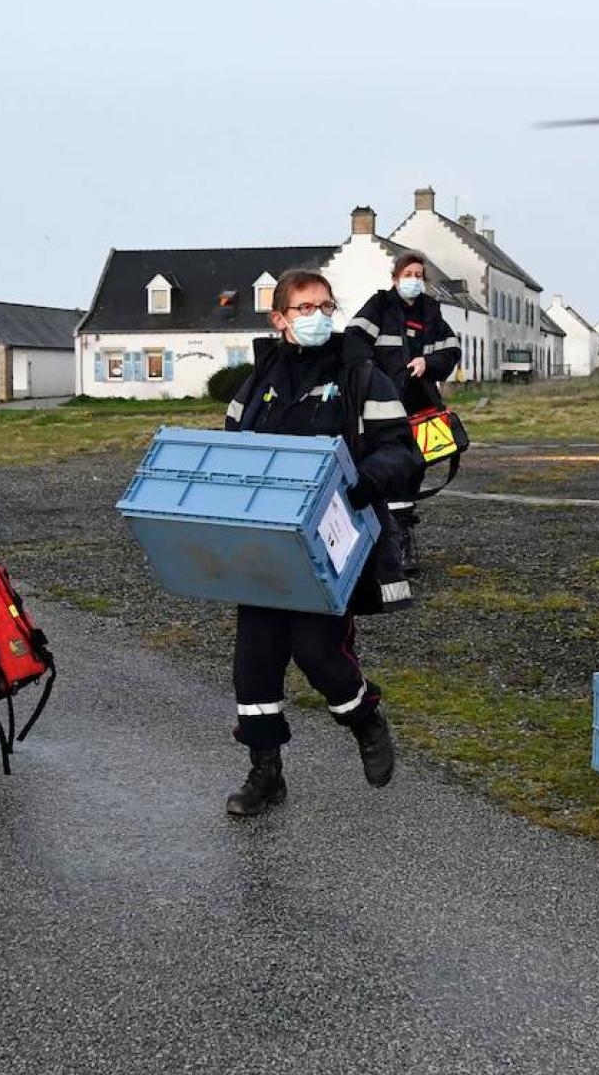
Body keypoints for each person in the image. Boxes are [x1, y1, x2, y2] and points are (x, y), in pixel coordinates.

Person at [220, 269, 421, 816]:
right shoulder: (257, 379)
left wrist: (361, 482)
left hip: (330, 542)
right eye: (305, 308)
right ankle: (265, 776)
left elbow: (403, 451)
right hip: (265, 543)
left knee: (319, 656)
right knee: (254, 666)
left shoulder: (361, 373)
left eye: (326, 306)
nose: (319, 317)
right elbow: (232, 448)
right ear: (280, 319)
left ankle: (365, 719)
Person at [344, 251, 460, 575]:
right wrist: (371, 378)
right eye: (408, 274)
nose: (414, 280)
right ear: (395, 278)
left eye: (419, 275)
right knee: (384, 470)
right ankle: (386, 543)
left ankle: (402, 539)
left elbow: (451, 351)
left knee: (413, 470)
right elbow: (353, 340)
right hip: (382, 408)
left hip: (418, 407)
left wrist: (429, 363)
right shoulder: (379, 307)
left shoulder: (430, 313)